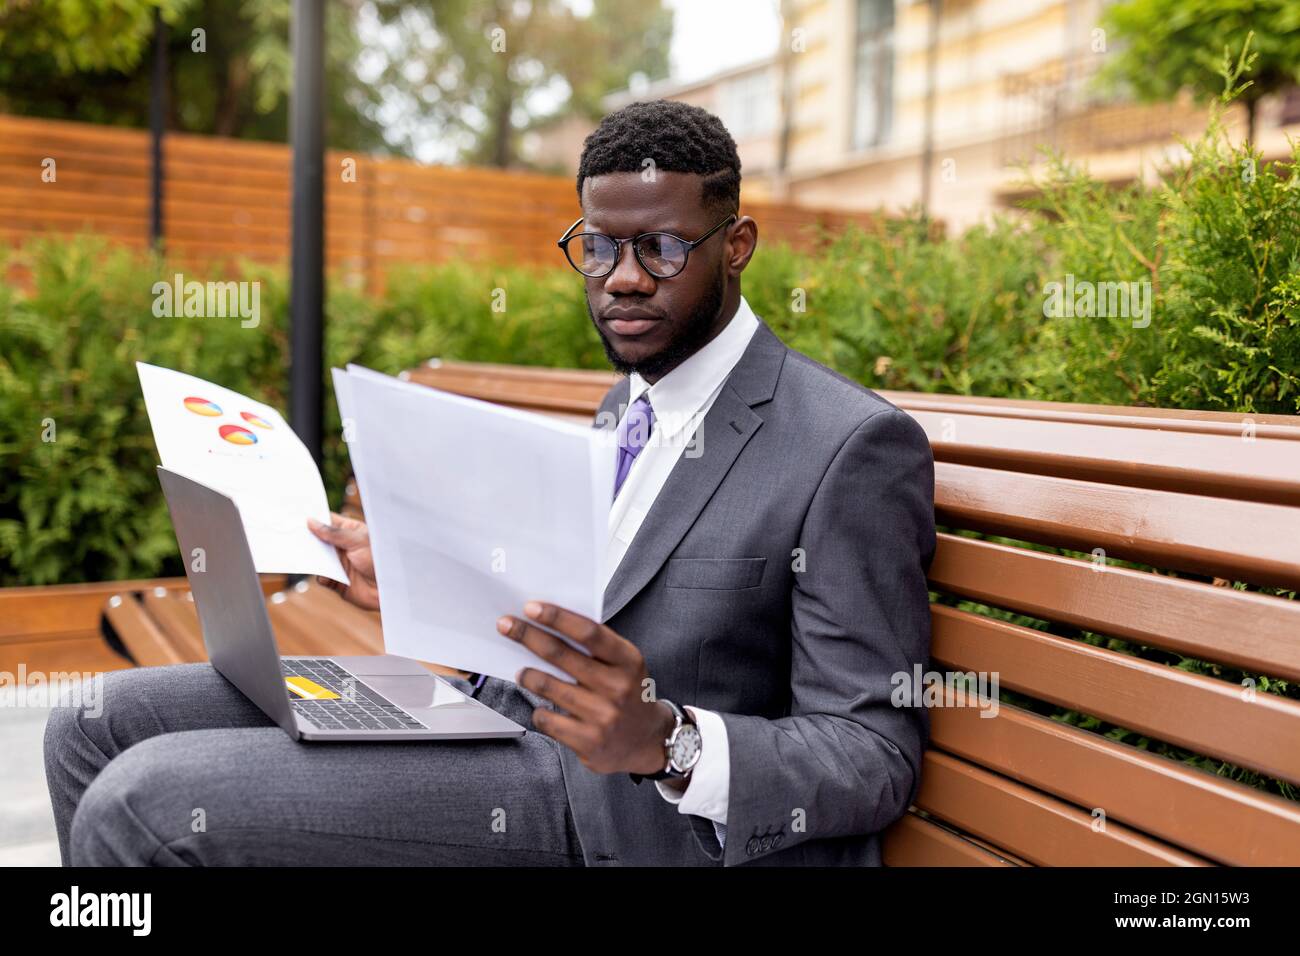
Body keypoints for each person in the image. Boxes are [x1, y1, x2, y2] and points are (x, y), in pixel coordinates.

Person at [45, 99, 936, 866]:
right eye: (597, 247)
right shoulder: (626, 404)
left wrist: (666, 741)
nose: (622, 280)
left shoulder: (850, 446)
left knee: (146, 805)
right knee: (91, 723)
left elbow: (870, 754)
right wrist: (417, 576)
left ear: (736, 244)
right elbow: (564, 604)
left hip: (613, 809)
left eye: (662, 247)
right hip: (485, 711)